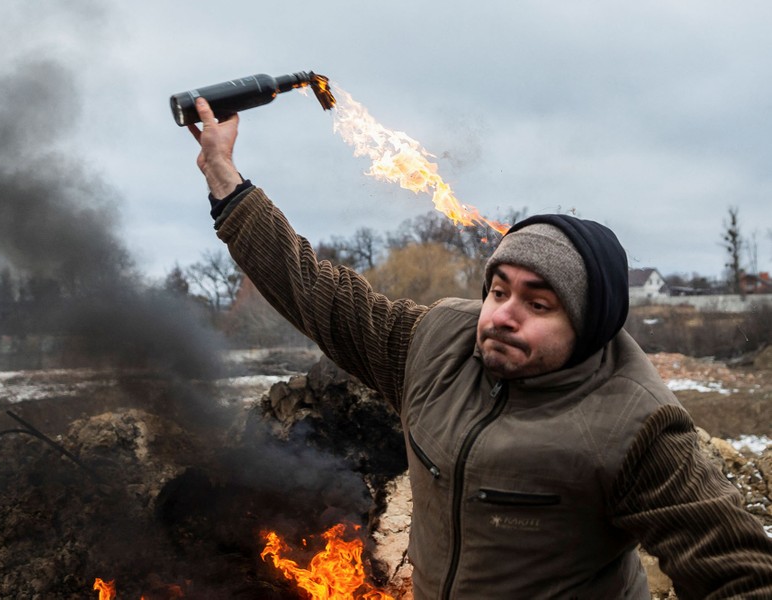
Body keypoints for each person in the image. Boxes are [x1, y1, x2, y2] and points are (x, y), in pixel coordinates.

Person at [185, 97, 772, 599]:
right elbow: (318, 294)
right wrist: (224, 178)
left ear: (590, 324)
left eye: (538, 304)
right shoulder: (439, 344)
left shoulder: (636, 423)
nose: (503, 317)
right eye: (498, 291)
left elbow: (738, 574)